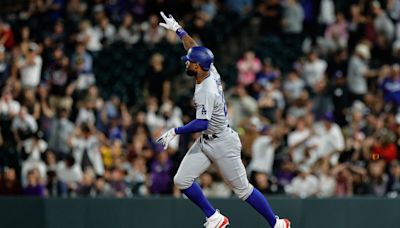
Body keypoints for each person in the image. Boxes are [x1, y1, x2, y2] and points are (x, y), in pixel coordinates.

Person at [156, 12, 291, 228]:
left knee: (243, 190)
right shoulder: (209, 68)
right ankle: (214, 217)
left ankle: (276, 223)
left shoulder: (205, 92)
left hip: (223, 142)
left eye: (189, 63)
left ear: (197, 67)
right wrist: (178, 30)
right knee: (181, 180)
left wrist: (175, 131)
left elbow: (202, 123)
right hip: (207, 141)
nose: (186, 64)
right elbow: (195, 48)